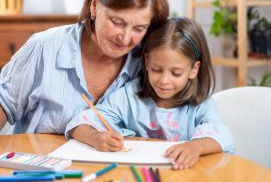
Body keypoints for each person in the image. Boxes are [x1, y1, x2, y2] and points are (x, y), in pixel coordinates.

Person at [0, 0, 169, 147]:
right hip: (43, 169)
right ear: (95, 6)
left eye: (139, 28)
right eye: (117, 22)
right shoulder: (45, 47)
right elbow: (1, 101)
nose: (125, 38)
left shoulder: (148, 62)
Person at [65, 17, 235, 170]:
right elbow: (78, 124)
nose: (164, 81)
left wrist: (196, 147)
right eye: (156, 69)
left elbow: (223, 136)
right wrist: (96, 138)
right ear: (146, 62)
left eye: (176, 73)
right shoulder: (129, 96)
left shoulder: (201, 103)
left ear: (193, 70)